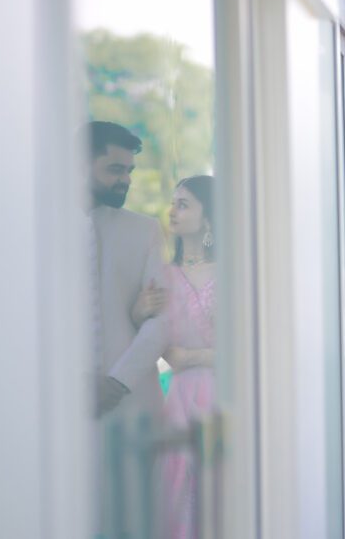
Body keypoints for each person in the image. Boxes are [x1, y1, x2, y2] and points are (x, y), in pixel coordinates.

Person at [80, 120, 168, 535]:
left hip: (131, 403)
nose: (126, 180)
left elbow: (162, 320)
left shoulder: (145, 230)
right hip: (61, 406)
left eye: (130, 171)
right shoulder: (33, 230)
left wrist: (116, 382)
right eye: (116, 170)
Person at [157, 175, 218, 539]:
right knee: (177, 488)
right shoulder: (164, 275)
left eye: (184, 204)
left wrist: (192, 356)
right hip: (178, 399)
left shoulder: (235, 271)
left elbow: (250, 347)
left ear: (208, 217)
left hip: (223, 393)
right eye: (173, 202)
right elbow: (155, 336)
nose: (172, 211)